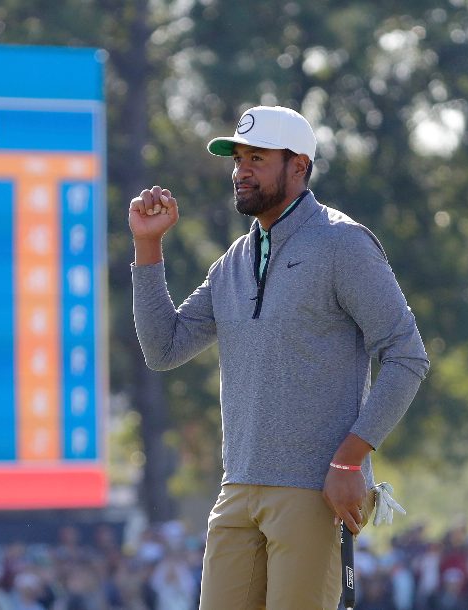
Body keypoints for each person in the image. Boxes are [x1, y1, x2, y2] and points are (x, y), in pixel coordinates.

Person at [129, 105, 430, 609]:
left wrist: (350, 459)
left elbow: (407, 355)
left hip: (313, 490)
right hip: (237, 490)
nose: (241, 171)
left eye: (257, 158)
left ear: (298, 167)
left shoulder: (343, 244)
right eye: (238, 159)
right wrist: (147, 246)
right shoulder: (232, 262)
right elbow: (164, 349)